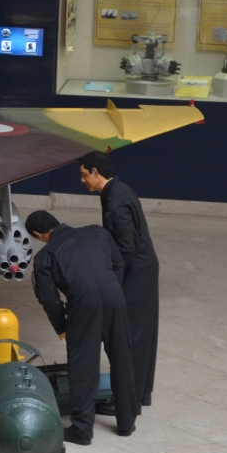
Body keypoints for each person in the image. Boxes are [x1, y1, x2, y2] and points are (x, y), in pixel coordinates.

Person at [26, 209, 137, 445]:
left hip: (83, 303)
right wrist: (108, 290)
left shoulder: (45, 257)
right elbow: (118, 264)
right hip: (114, 297)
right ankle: (126, 422)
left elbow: (49, 299)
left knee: (83, 366)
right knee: (122, 357)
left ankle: (82, 429)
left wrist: (61, 327)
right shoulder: (97, 232)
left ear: (38, 234)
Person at [79, 151, 160, 410]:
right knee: (142, 333)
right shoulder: (120, 190)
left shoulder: (114, 202)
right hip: (145, 268)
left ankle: (127, 401)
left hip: (137, 272)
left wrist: (111, 283)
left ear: (95, 172)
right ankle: (139, 395)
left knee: (130, 336)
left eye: (84, 175)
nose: (82, 180)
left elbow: (125, 249)